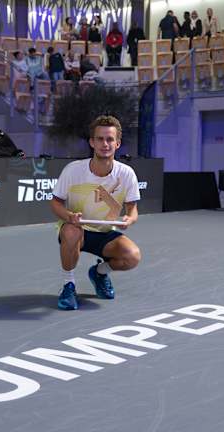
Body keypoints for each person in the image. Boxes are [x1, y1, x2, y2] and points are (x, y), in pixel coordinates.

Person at [50, 115, 141, 311]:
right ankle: (68, 285)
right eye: (100, 139)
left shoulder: (127, 173)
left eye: (110, 139)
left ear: (117, 144)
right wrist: (69, 217)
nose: (105, 144)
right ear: (92, 142)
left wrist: (130, 219)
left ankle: (99, 272)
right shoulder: (73, 170)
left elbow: (132, 209)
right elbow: (56, 203)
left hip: (105, 234)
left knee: (132, 256)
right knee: (71, 231)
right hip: (77, 230)